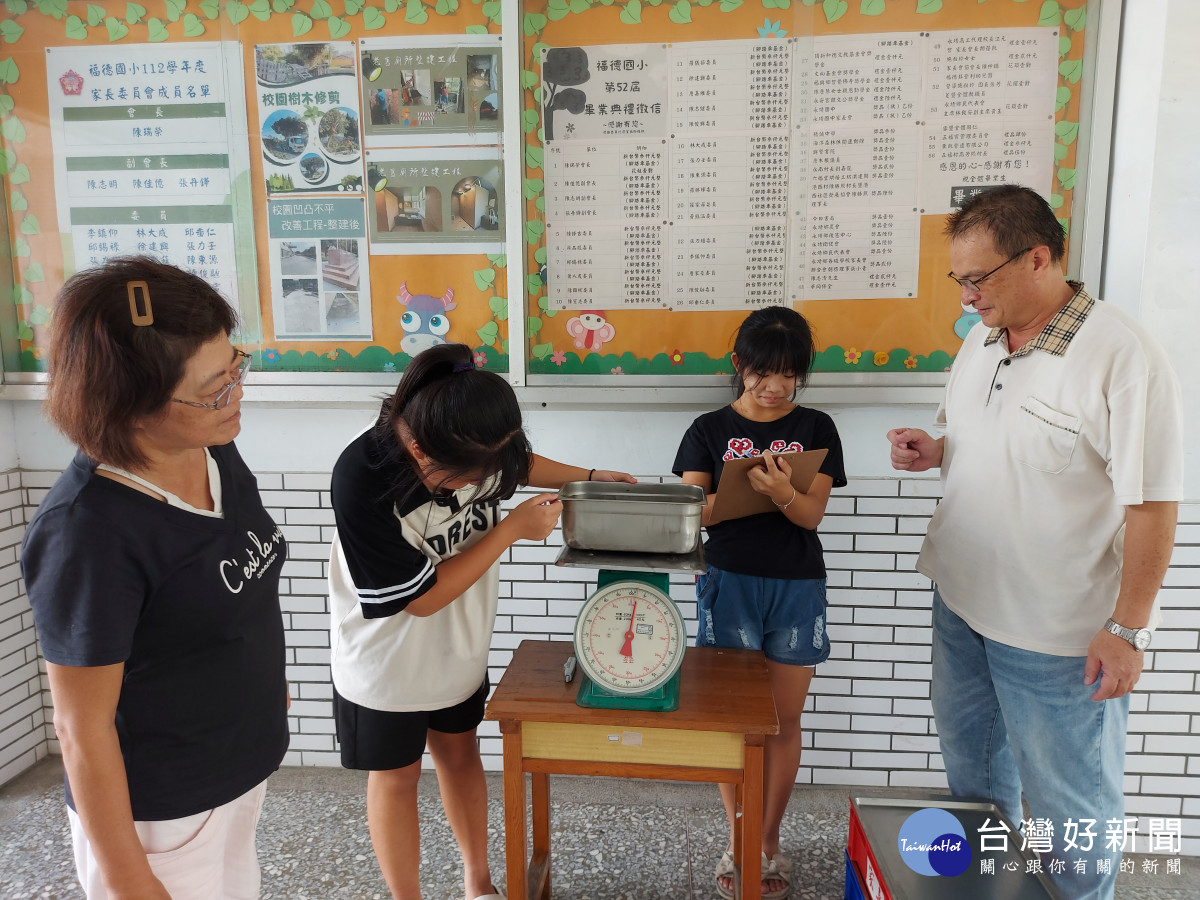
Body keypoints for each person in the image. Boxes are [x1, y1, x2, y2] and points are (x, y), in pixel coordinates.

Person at [886, 185, 1182, 900]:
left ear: (1040, 259)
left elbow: (1152, 504)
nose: (965, 296)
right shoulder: (985, 341)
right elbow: (1008, 445)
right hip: (964, 606)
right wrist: (940, 448)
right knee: (976, 789)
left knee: (1069, 819)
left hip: (1057, 640)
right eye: (958, 279)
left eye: (977, 278)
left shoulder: (1122, 357)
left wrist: (1126, 628)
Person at [21, 258, 289, 899]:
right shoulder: (89, 531)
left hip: (235, 773)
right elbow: (80, 728)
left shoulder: (213, 446)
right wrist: (130, 879)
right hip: (161, 816)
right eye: (213, 388)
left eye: (235, 369)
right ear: (128, 405)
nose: (236, 394)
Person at [328, 342, 634, 900]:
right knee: (396, 778)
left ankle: (478, 882)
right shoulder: (362, 477)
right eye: (465, 477)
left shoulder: (466, 432)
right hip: (386, 659)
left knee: (461, 753)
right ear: (421, 451)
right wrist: (510, 530)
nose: (484, 482)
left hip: (457, 646)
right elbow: (417, 601)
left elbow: (514, 464)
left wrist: (585, 477)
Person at [673, 306, 846, 900]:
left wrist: (782, 492)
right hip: (729, 580)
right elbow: (692, 516)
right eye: (762, 372)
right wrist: (747, 490)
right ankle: (738, 837)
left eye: (789, 375)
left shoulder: (818, 428)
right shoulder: (707, 428)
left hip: (798, 583)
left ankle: (769, 841)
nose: (775, 387)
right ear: (738, 365)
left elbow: (812, 516)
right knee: (736, 723)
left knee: (784, 720)